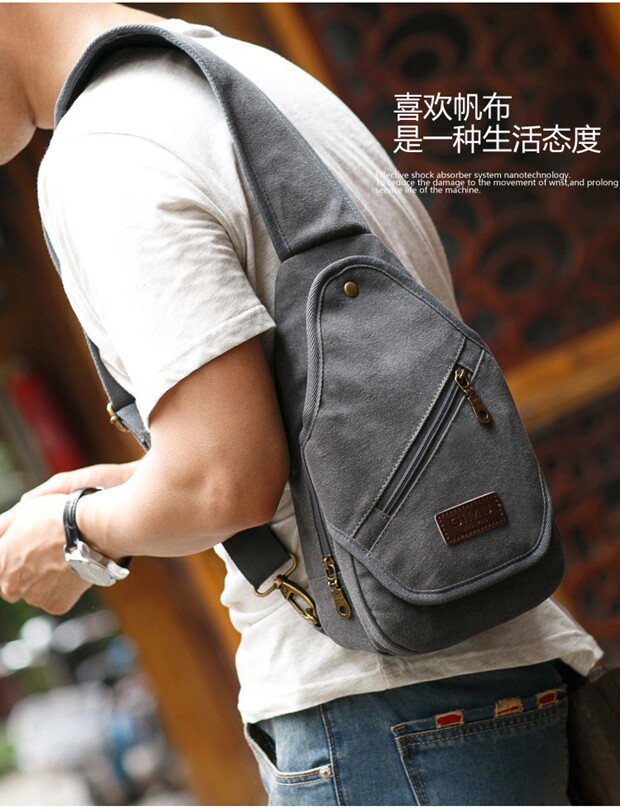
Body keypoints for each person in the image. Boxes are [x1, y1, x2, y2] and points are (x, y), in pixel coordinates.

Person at [0, 3, 602, 805]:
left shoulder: (101, 151)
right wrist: (133, 486)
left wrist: (75, 535)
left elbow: (225, 481)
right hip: (495, 657)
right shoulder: (246, 76)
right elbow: (325, 410)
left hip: (379, 708)